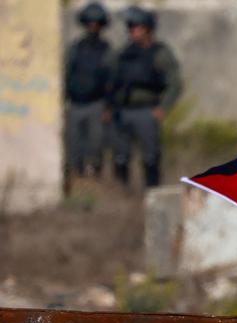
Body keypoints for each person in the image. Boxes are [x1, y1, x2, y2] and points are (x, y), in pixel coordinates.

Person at [110, 6, 182, 187]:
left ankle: (152, 193)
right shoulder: (124, 54)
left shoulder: (159, 53)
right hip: (123, 111)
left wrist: (162, 108)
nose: (133, 32)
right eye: (131, 28)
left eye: (137, 28)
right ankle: (122, 194)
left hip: (147, 111)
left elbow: (175, 83)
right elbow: (112, 82)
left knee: (150, 157)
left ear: (148, 29)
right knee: (120, 157)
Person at [63, 2, 112, 193]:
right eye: (90, 23)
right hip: (75, 103)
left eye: (97, 23)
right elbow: (67, 73)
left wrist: (108, 106)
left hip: (96, 104)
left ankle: (94, 182)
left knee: (95, 145)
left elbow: (111, 80)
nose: (93, 26)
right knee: (74, 146)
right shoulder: (75, 48)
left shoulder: (107, 50)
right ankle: (74, 180)